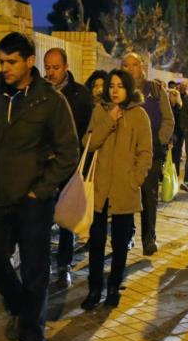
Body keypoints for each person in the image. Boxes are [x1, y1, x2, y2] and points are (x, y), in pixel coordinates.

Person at [0, 32, 79, 341]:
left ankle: (33, 335)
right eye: (1, 61)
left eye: (11, 61)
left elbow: (68, 151)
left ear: (30, 62)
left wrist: (41, 189)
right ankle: (19, 305)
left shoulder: (49, 100)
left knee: (35, 269)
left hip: (33, 200)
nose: (4, 67)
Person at [80, 69, 153, 310]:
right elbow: (89, 144)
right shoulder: (99, 111)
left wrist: (135, 179)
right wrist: (110, 119)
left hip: (125, 187)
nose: (114, 90)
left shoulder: (139, 115)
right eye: (112, 85)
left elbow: (145, 153)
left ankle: (114, 286)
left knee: (120, 243)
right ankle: (94, 288)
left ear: (129, 88)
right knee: (97, 241)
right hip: (100, 187)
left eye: (120, 86)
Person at [43, 47, 93, 289]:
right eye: (48, 68)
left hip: (67, 166)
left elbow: (85, 132)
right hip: (41, 167)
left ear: (66, 67)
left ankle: (64, 267)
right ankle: (40, 265)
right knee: (40, 217)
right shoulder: (38, 92)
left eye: (56, 68)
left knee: (65, 220)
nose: (51, 73)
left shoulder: (80, 95)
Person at [121, 52, 174, 255]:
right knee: (126, 197)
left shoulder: (155, 89)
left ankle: (149, 238)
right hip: (126, 154)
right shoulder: (120, 90)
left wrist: (158, 141)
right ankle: (128, 236)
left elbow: (168, 119)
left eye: (134, 65)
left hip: (150, 154)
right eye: (126, 65)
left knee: (149, 198)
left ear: (142, 67)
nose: (130, 69)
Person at [168, 87, 184, 183]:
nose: (171, 97)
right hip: (169, 133)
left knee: (176, 155)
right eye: (170, 95)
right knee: (168, 155)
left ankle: (175, 173)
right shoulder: (166, 107)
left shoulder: (179, 108)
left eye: (174, 95)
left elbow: (181, 122)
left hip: (178, 134)